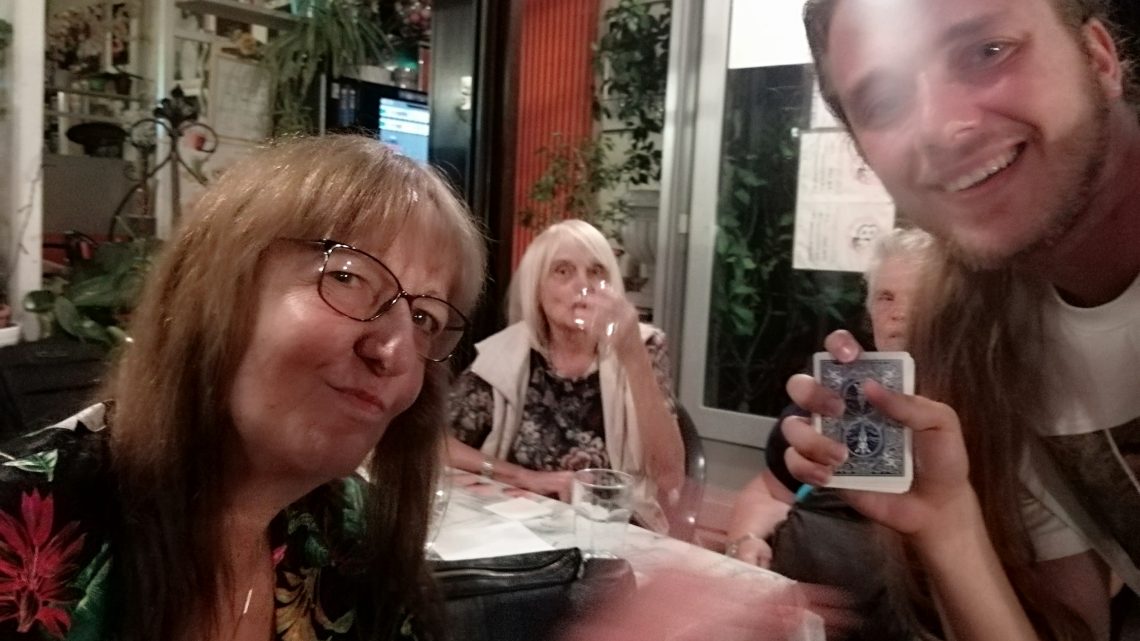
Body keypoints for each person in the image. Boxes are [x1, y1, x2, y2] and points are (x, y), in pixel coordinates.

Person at [0, 136, 486, 641]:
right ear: (212, 287)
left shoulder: (351, 534)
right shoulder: (20, 531)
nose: (395, 352)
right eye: (347, 277)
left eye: (425, 318)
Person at [784, 0, 1140, 639]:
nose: (942, 128)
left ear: (1098, 56)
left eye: (987, 52)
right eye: (884, 100)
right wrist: (946, 520)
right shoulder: (986, 336)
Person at [724, 228, 933, 641]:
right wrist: (744, 544)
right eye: (886, 297)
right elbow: (769, 491)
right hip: (791, 615)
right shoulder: (835, 393)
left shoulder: (982, 413)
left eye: (922, 298)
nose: (899, 314)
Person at [446, 219, 683, 532]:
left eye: (596, 272)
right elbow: (437, 445)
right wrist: (524, 477)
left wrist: (632, 356)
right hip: (518, 527)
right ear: (536, 289)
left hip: (614, 529)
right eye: (563, 271)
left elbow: (670, 476)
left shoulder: (643, 346)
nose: (583, 286)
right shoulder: (506, 353)